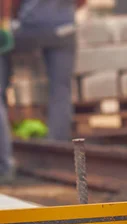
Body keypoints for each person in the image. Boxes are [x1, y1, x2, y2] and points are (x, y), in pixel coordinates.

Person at [0, 0, 85, 183]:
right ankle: (58, 147)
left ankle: (3, 160)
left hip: (30, 28)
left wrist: (9, 21)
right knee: (61, 89)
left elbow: (10, 3)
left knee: (3, 49)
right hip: (64, 27)